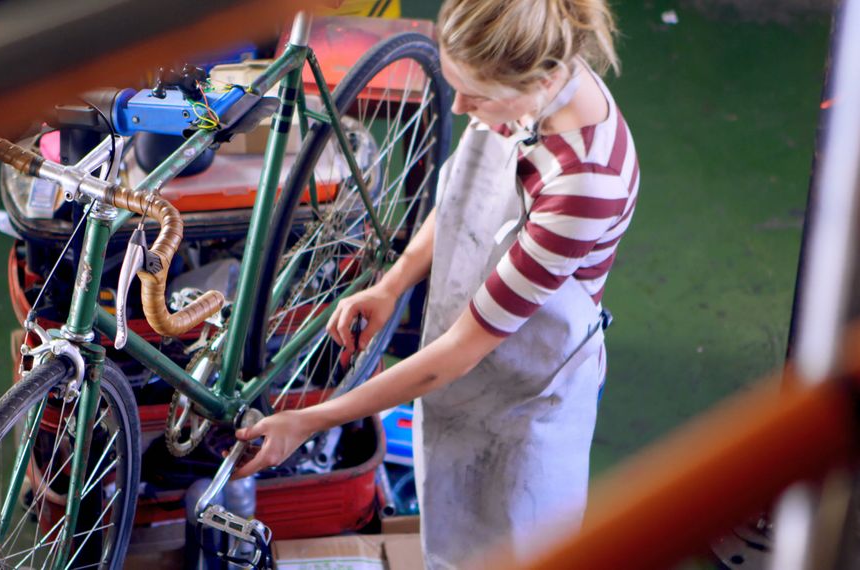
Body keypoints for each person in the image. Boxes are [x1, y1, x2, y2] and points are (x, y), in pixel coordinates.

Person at [234, 0, 639, 565]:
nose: (460, 107)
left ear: (542, 80)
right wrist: (391, 285)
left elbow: (456, 354)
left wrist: (312, 419)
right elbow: (463, 199)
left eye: (476, 95)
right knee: (452, 537)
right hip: (468, 366)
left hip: (526, 395)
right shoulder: (530, 87)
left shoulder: (582, 187)